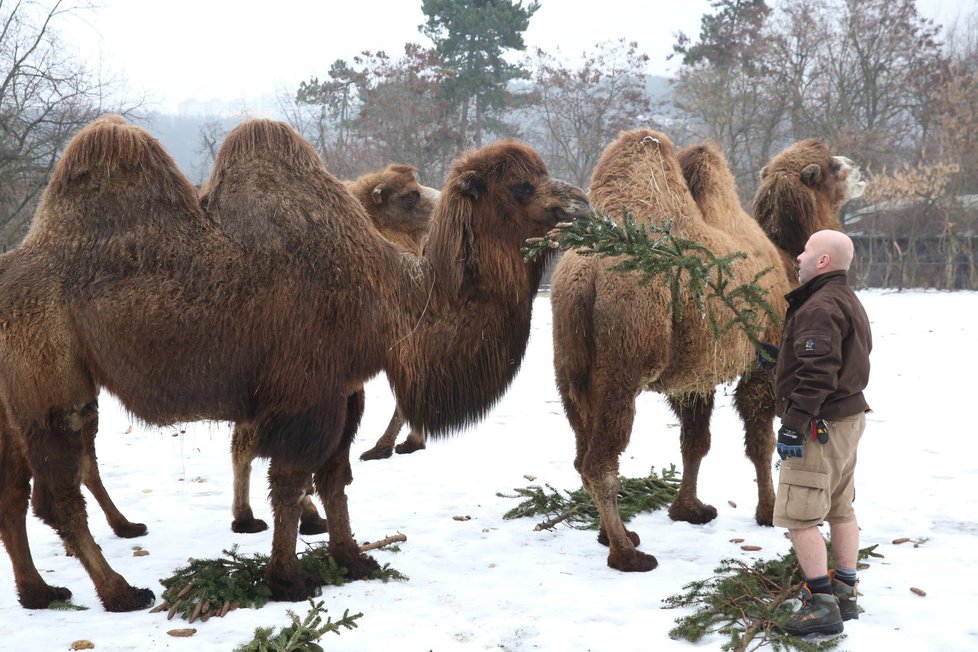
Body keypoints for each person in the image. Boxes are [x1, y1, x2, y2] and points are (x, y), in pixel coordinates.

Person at [772, 229, 872, 636]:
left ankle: (822, 604)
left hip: (819, 426)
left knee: (799, 514)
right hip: (848, 420)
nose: (799, 255)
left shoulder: (819, 306)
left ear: (824, 261)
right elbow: (834, 358)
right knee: (839, 506)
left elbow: (817, 375)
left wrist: (794, 426)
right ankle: (845, 589)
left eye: (807, 250)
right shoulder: (847, 298)